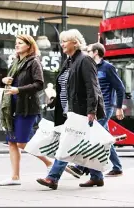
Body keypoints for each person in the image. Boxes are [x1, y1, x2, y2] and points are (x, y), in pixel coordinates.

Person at [36, 29, 106, 190]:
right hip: (69, 111)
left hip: (81, 111)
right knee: (85, 143)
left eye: (64, 41)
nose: (61, 44)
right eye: (60, 41)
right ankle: (97, 177)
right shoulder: (69, 61)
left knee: (67, 143)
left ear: (75, 42)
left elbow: (92, 87)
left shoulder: (85, 60)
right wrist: (53, 102)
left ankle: (52, 178)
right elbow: (64, 87)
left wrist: (91, 111)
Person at [0, 34, 53, 186]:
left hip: (27, 107)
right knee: (12, 143)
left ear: (29, 45)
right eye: (16, 43)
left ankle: (50, 163)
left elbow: (39, 84)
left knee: (21, 143)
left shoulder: (34, 62)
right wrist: (5, 80)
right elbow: (11, 81)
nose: (17, 45)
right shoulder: (16, 62)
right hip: (12, 107)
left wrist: (18, 90)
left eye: (20, 43)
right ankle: (15, 177)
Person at [67, 42, 126, 177]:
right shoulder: (88, 66)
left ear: (96, 53)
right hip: (93, 106)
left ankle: (80, 167)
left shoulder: (108, 68)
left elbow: (120, 88)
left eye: (88, 51)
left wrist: (119, 107)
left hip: (105, 107)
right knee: (103, 137)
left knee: (90, 136)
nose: (86, 53)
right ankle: (117, 167)